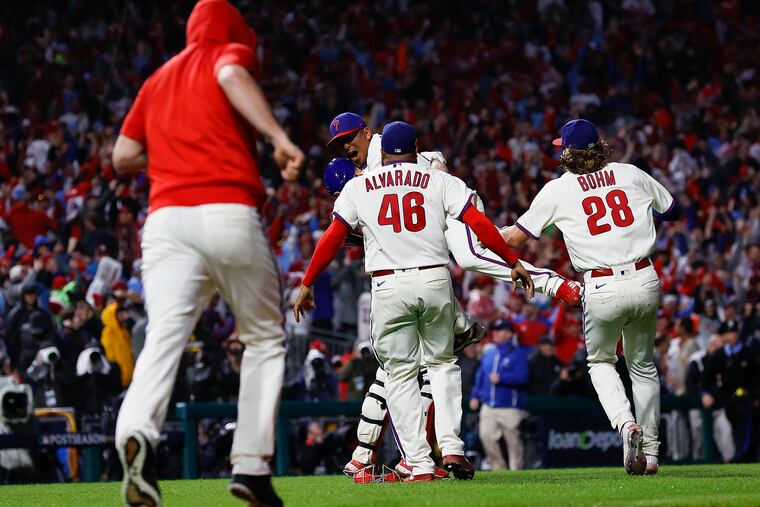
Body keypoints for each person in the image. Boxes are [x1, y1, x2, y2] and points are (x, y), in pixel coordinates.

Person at [111, 1, 304, 505]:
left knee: (164, 335)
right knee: (263, 336)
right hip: (225, 209)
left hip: (165, 222)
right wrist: (277, 136)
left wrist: (176, 145)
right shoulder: (225, 52)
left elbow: (122, 156)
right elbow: (230, 73)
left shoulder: (157, 79)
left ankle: (135, 432)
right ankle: (252, 466)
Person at [293, 121, 534, 481]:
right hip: (434, 278)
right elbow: (479, 223)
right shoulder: (438, 178)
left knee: (399, 375)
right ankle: (452, 446)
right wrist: (512, 261)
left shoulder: (359, 185)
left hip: (388, 285)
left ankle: (418, 463)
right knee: (442, 365)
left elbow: (332, 237)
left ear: (382, 151)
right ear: (415, 147)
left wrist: (309, 281)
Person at [503, 118, 679, 475]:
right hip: (645, 275)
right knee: (642, 366)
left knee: (600, 362)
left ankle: (625, 425)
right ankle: (652, 453)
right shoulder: (630, 173)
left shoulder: (558, 190)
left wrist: (473, 228)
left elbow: (514, 238)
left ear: (568, 153)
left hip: (600, 284)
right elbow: (672, 211)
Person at [469, 320, 529, 471]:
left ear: (509, 334)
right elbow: (481, 376)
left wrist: (503, 378)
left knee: (513, 441)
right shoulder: (489, 353)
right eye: (494, 330)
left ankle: (516, 470)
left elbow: (524, 377)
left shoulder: (518, 353)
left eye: (500, 330)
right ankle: (499, 468)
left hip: (510, 406)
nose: (495, 333)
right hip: (489, 405)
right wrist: (475, 395)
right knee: (485, 436)